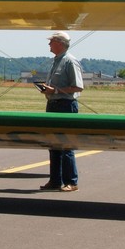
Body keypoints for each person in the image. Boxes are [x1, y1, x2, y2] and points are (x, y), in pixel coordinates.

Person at [40, 31, 84, 192]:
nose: (49, 44)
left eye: (51, 41)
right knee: (53, 143)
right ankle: (55, 180)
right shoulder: (55, 61)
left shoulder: (70, 61)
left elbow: (78, 87)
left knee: (66, 144)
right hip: (53, 105)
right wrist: (47, 90)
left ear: (59, 43)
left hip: (66, 105)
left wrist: (55, 91)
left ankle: (71, 182)